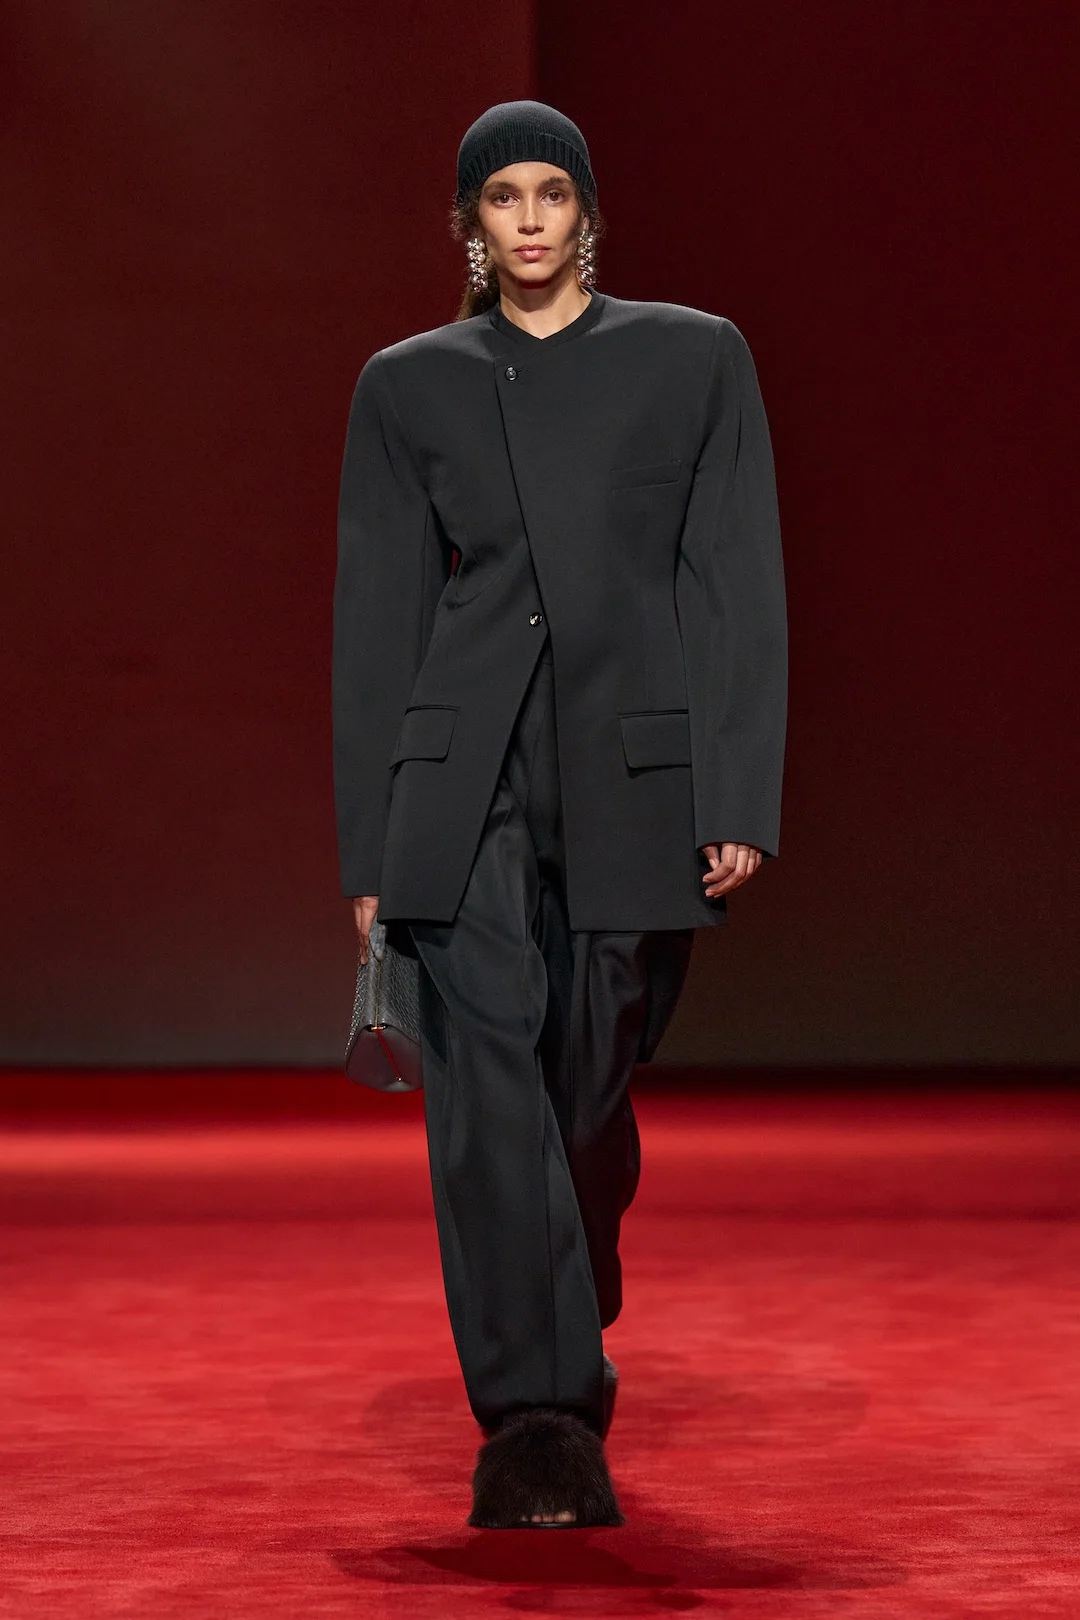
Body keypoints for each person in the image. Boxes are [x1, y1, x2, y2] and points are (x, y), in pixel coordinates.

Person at [332, 100, 788, 1528]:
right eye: (502, 198)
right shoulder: (409, 384)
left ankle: (569, 1274)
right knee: (485, 1084)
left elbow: (733, 580)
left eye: (551, 194)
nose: (528, 220)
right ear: (470, 223)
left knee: (587, 1091)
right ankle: (537, 1421)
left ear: (586, 211)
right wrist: (370, 841)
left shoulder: (693, 358)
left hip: (632, 769)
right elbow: (378, 618)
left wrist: (738, 787)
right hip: (461, 774)